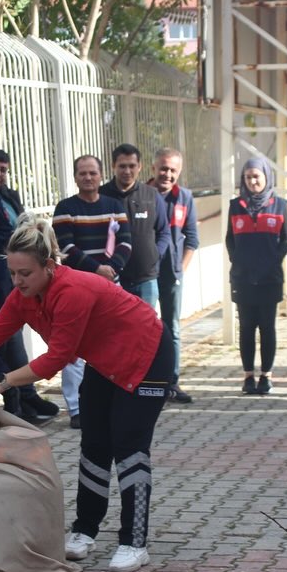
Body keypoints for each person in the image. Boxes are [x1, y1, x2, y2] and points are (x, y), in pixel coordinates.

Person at [0, 215, 174, 572]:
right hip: (106, 361)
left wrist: (3, 382)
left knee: (128, 446)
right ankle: (85, 530)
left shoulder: (72, 291)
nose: (17, 281)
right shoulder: (24, 296)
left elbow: (55, 359)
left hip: (147, 355)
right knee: (94, 443)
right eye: (12, 273)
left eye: (24, 273)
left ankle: (134, 542)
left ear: (49, 265)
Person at [0, 148, 61, 422]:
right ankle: (13, 398)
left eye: (2, 169)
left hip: (12, 281)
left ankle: (26, 395)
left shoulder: (9, 197)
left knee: (15, 343)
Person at [52, 154, 134, 429]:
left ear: (101, 175)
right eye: (82, 173)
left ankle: (111, 402)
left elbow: (126, 242)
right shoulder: (65, 208)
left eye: (93, 173)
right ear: (75, 177)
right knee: (74, 349)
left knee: (112, 345)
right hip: (78, 288)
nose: (88, 178)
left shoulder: (113, 206)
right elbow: (66, 248)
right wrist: (96, 271)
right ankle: (76, 409)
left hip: (111, 286)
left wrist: (111, 270)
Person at [226, 158, 287, 395]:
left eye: (257, 176)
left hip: (269, 278)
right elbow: (229, 239)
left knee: (267, 327)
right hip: (243, 278)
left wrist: (273, 259)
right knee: (246, 327)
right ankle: (248, 376)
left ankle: (266, 375)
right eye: (248, 177)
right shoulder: (235, 206)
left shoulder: (280, 205)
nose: (253, 181)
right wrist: (239, 260)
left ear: (266, 177)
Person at [149, 147, 200, 404]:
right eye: (163, 168)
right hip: (144, 275)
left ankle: (172, 381)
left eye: (173, 170)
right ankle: (145, 382)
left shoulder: (185, 198)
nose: (167, 174)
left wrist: (181, 270)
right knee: (144, 329)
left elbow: (192, 238)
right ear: (153, 168)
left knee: (173, 329)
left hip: (172, 274)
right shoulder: (142, 194)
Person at [99, 143, 172, 306]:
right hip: (112, 279)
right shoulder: (101, 196)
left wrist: (155, 255)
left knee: (146, 328)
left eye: (132, 166)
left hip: (146, 279)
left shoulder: (151, 195)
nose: (127, 171)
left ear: (140, 167)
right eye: (122, 166)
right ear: (113, 166)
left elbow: (164, 232)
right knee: (117, 329)